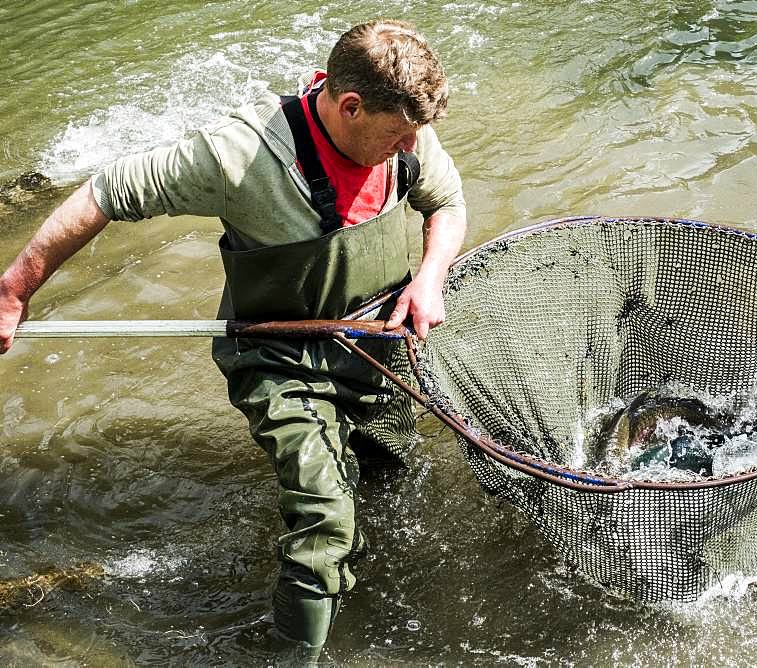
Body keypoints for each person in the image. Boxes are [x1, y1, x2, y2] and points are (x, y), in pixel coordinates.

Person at [0, 19, 467, 659]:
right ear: (349, 105)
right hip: (279, 357)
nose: (413, 145)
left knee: (386, 478)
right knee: (325, 515)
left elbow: (447, 202)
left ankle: (357, 592)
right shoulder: (236, 155)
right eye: (398, 135)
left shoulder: (406, 130)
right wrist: (14, 290)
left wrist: (432, 277)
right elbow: (105, 193)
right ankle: (292, 655)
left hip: (377, 343)